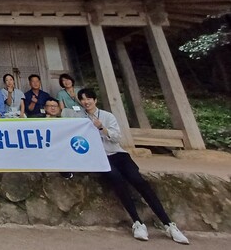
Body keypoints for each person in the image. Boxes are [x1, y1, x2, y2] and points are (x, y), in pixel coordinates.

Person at [77, 88, 190, 244]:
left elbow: (117, 138)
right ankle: (137, 222)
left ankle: (169, 224)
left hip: (118, 154)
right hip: (100, 158)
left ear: (95, 100)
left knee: (138, 180)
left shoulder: (107, 116)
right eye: (83, 99)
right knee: (117, 179)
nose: (86, 102)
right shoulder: (79, 119)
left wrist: (102, 127)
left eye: (89, 98)